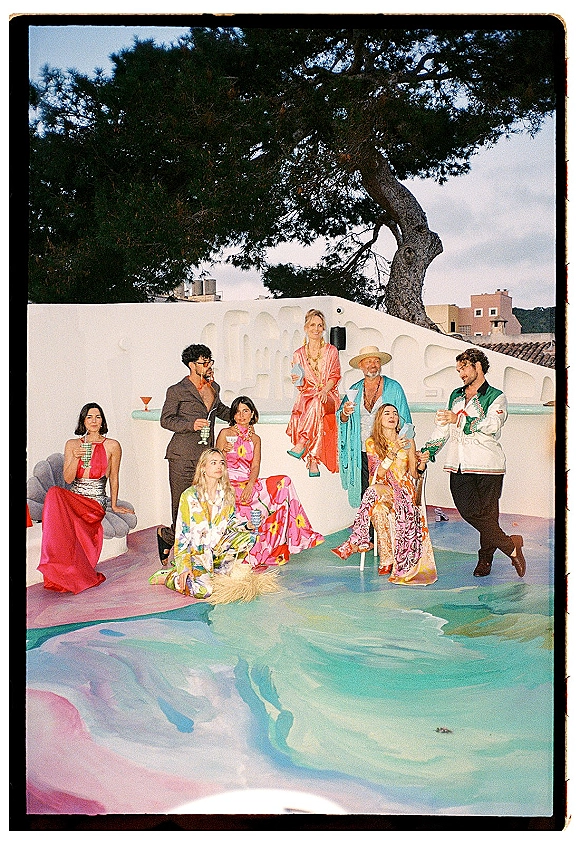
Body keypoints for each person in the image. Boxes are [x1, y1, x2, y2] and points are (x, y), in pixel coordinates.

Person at [420, 347, 526, 579]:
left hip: (488, 464)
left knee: (488, 515)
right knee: (468, 510)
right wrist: (428, 450)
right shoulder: (455, 395)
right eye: (459, 370)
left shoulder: (496, 396)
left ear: (478, 366)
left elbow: (493, 424)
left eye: (464, 368)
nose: (461, 374)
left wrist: (459, 420)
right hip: (458, 464)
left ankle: (485, 560)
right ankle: (511, 546)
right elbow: (444, 427)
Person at [331, 404, 437, 585]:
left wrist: (422, 463)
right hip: (384, 488)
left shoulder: (408, 440)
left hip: (404, 491)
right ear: (379, 419)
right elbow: (378, 474)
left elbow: (414, 474)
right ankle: (386, 558)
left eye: (395, 413)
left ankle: (357, 540)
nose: (392, 416)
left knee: (373, 496)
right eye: (387, 413)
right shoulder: (372, 443)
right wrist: (393, 451)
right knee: (378, 507)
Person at [216, 396, 325, 567]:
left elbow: (255, 465)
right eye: (237, 412)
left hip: (248, 482)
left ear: (252, 414)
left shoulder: (255, 439)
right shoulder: (225, 433)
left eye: (245, 411)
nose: (241, 415)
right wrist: (223, 451)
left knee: (284, 483)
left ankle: (300, 536)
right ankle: (251, 553)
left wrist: (250, 485)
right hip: (228, 484)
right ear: (233, 415)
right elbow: (215, 463)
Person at [37, 403, 134, 594]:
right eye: (89, 417)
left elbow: (114, 477)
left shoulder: (112, 445)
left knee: (57, 498)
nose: (94, 421)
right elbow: (68, 479)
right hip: (75, 498)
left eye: (98, 417)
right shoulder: (72, 444)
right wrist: (75, 458)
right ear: (83, 421)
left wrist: (114, 505)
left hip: (95, 502)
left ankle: (74, 573)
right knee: (54, 493)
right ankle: (57, 571)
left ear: (102, 421)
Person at [157, 344, 230, 566]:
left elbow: (221, 410)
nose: (208, 365)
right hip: (182, 456)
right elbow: (166, 419)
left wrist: (242, 414)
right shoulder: (176, 390)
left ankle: (169, 537)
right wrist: (191, 424)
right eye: (203, 362)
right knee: (181, 505)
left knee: (204, 505)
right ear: (191, 365)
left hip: (206, 458)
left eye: (209, 361)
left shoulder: (214, 387)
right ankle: (182, 557)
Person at [150, 449, 257, 599]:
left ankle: (219, 571)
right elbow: (182, 536)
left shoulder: (227, 494)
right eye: (213, 463)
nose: (219, 466)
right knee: (205, 591)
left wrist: (248, 526)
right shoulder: (189, 496)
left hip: (218, 551)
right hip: (197, 554)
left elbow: (231, 523)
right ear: (203, 468)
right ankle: (170, 577)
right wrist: (184, 566)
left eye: (221, 463)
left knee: (250, 537)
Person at [337, 345, 412, 508]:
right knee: (367, 492)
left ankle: (389, 522)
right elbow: (341, 419)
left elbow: (406, 421)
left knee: (389, 492)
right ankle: (368, 524)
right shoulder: (355, 389)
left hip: (388, 449)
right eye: (368, 361)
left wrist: (407, 449)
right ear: (360, 365)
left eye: (376, 361)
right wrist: (345, 413)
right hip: (362, 451)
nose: (373, 365)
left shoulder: (394, 387)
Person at [286, 309, 341, 477]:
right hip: (308, 398)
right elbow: (301, 386)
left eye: (319, 325)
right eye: (312, 325)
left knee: (318, 401)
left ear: (323, 328)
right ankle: (313, 459)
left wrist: (324, 390)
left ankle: (302, 442)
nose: (316, 329)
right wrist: (297, 379)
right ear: (305, 327)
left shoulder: (332, 351)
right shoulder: (298, 354)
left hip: (329, 396)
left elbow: (335, 375)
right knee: (316, 404)